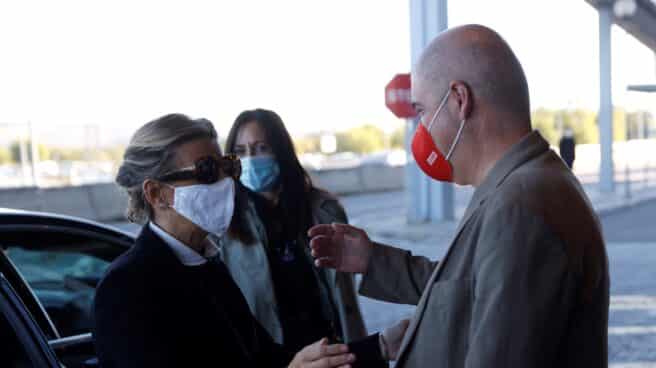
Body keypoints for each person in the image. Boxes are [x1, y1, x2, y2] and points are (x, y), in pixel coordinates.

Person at [309, 25, 609, 368]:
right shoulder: (521, 186)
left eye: (421, 111)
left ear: (459, 100)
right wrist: (373, 261)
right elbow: (466, 290)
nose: (421, 129)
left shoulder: (520, 207)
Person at [93, 113, 364, 368]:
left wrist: (380, 346)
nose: (227, 183)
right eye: (208, 171)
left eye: (228, 168)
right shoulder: (127, 288)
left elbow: (265, 357)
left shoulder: (208, 264)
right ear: (157, 194)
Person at [216, 108, 367, 351]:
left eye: (261, 148)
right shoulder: (224, 220)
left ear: (281, 150)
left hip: (329, 348)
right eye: (241, 151)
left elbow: (344, 300)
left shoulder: (324, 210)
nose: (251, 159)